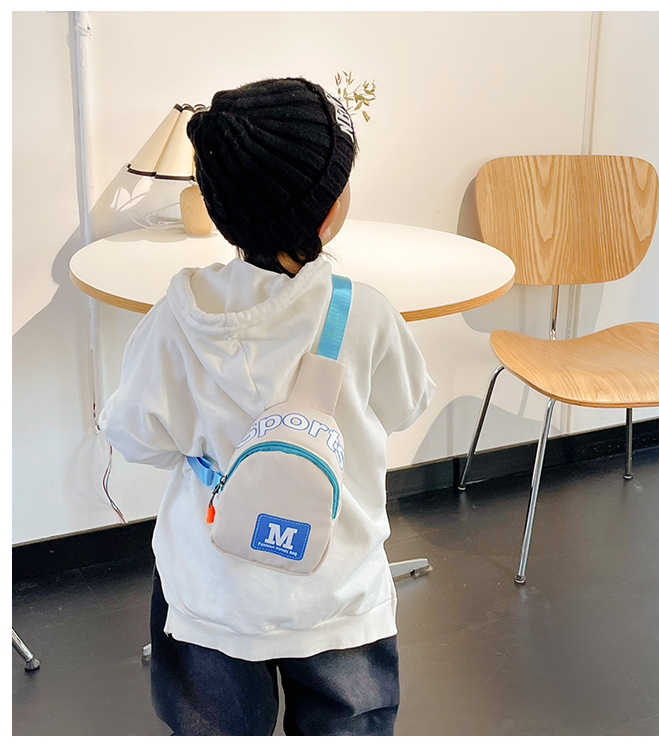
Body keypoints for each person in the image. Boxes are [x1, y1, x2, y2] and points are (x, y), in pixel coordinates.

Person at [99, 77, 435, 736]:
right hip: (337, 593)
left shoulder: (175, 319)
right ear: (329, 212)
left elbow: (136, 435)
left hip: (213, 594)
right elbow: (405, 405)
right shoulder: (365, 315)